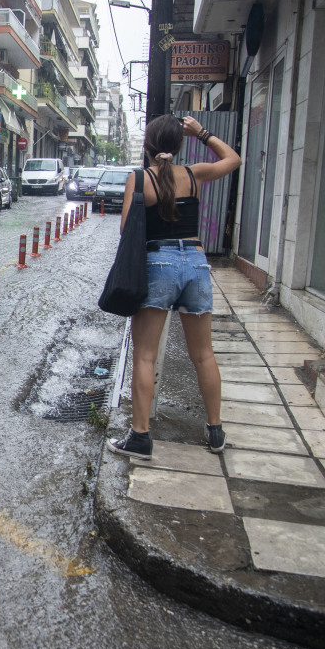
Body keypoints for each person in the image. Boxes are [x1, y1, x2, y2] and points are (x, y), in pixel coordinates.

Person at [106, 114, 241, 460]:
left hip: (159, 263)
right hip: (196, 263)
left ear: (148, 146)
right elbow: (233, 159)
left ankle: (140, 437)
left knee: (145, 355)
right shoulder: (194, 175)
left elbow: (126, 231)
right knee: (204, 354)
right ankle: (215, 432)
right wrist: (203, 133)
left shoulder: (140, 179)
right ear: (179, 145)